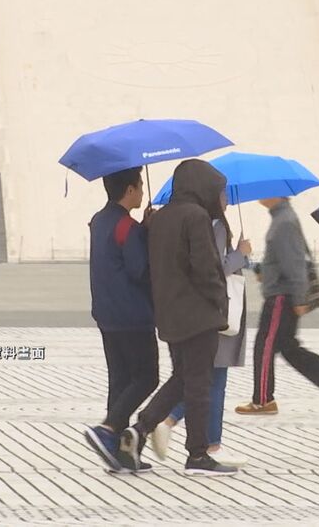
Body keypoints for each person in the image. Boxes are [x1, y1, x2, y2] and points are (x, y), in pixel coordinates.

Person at [117, 159, 236, 476]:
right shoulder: (196, 216)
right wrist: (219, 302)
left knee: (182, 378)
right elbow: (205, 267)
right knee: (199, 386)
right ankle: (198, 455)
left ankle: (140, 429)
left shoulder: (162, 217)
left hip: (169, 314)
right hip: (198, 315)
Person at [151, 215, 252, 468]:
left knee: (205, 380)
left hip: (195, 312)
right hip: (215, 313)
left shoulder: (192, 223)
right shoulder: (214, 225)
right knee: (214, 381)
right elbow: (215, 267)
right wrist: (240, 254)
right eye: (222, 195)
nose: (226, 200)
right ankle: (208, 444)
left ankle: (170, 422)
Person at [235, 197, 319, 415]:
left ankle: (263, 400)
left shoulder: (284, 221)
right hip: (281, 293)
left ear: (276, 194)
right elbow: (281, 260)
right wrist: (262, 271)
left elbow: (294, 263)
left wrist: (300, 297)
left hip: (281, 297)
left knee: (265, 347)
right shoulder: (281, 219)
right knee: (288, 347)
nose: (260, 195)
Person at [82, 167, 159, 474]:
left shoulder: (99, 220)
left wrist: (142, 229)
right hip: (133, 315)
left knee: (121, 380)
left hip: (106, 313)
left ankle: (117, 453)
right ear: (129, 190)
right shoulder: (128, 226)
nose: (142, 191)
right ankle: (108, 428)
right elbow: (140, 270)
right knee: (147, 377)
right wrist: (147, 234)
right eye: (140, 186)